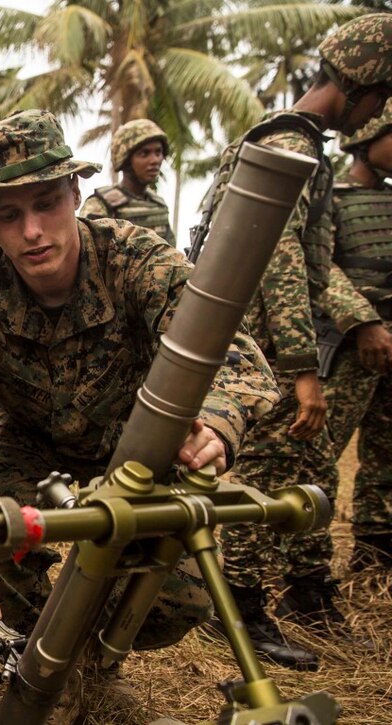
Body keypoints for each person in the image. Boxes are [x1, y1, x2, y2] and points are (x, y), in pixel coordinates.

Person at [0, 109, 279, 697]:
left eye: (46, 204)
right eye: (9, 215)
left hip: (135, 452)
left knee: (182, 594)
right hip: (27, 450)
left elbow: (234, 355)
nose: (33, 231)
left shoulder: (139, 261)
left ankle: (89, 659)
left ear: (75, 194)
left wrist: (216, 421)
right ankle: (36, 663)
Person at [204, 13, 392, 669]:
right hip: (266, 349)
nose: (379, 110)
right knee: (262, 477)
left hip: (273, 342)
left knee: (307, 472)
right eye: (381, 96)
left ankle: (307, 593)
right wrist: (302, 368)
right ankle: (238, 607)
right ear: (361, 85)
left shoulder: (296, 139)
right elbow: (279, 258)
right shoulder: (292, 144)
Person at [316, 101, 392, 572]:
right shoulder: (333, 197)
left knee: (387, 453)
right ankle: (306, 559)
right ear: (367, 137)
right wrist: (364, 323)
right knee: (321, 455)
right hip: (350, 347)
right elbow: (321, 266)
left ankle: (375, 547)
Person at [80, 118, 175, 245]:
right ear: (125, 161)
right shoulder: (101, 205)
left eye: (158, 152)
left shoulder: (158, 205)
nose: (155, 160)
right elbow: (87, 251)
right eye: (144, 154)